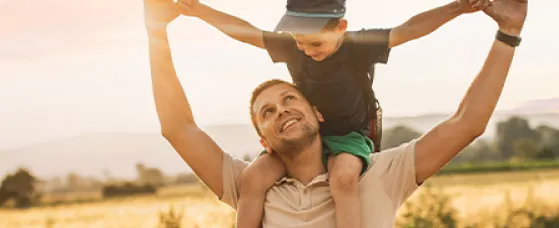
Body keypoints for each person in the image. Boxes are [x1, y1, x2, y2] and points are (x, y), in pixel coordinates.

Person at [142, 0, 527, 226]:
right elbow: (179, 126)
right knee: (254, 180)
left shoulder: (378, 178)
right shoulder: (251, 183)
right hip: (289, 162)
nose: (283, 112)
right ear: (262, 139)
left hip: (351, 141)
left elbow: (466, 121)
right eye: (267, 112)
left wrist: (471, 13)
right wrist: (186, 16)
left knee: (344, 176)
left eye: (290, 99)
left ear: (317, 112)